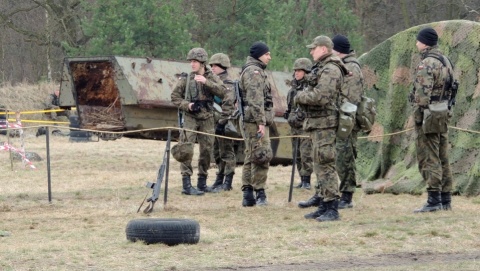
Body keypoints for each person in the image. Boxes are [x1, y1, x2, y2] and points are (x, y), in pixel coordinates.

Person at [294, 36, 348, 222]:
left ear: (324, 49)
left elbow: (321, 97)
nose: (311, 52)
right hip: (319, 123)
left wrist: (300, 97)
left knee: (325, 164)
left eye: (314, 48)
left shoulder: (331, 69)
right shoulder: (324, 67)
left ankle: (332, 207)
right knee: (319, 163)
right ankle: (324, 204)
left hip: (326, 123)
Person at [410, 27, 455, 212]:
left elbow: (421, 96)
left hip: (428, 115)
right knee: (443, 156)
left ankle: (433, 199)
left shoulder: (427, 63)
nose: (416, 43)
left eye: (418, 40)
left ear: (425, 42)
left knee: (430, 157)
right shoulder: (446, 61)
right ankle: (445, 199)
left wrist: (417, 111)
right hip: (443, 112)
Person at [171, 47, 226, 196]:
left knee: (207, 150)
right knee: (186, 149)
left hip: (207, 117)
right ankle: (186, 184)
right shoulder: (186, 79)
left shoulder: (212, 77)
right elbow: (175, 97)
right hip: (190, 117)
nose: (192, 64)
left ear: (202, 62)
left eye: (195, 61)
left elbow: (223, 92)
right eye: (191, 61)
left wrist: (206, 82)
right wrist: (188, 105)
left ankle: (202, 182)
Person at [332, 34, 365, 209]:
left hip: (346, 120)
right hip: (337, 119)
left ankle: (346, 194)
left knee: (345, 156)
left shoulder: (351, 67)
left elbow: (351, 98)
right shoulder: (340, 66)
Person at [239, 41, 273, 207]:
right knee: (261, 155)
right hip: (254, 121)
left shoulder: (253, 70)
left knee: (251, 155)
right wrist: (261, 121)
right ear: (259, 54)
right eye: (267, 54)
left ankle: (248, 194)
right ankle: (259, 193)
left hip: (250, 119)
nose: (269, 57)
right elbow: (255, 99)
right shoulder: (254, 72)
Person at [208, 53, 236, 192]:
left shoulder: (228, 83)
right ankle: (219, 179)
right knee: (217, 152)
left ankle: (228, 181)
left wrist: (222, 122)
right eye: (211, 65)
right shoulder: (214, 81)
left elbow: (229, 104)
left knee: (227, 152)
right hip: (213, 121)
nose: (212, 68)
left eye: (215, 65)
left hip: (225, 122)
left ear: (222, 66)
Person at [284, 58, 313, 190]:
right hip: (294, 126)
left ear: (306, 72)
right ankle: (302, 179)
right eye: (295, 70)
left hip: (305, 127)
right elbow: (290, 106)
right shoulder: (293, 88)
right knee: (297, 154)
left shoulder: (310, 88)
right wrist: (288, 114)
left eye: (299, 70)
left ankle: (307, 180)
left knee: (306, 153)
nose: (296, 73)